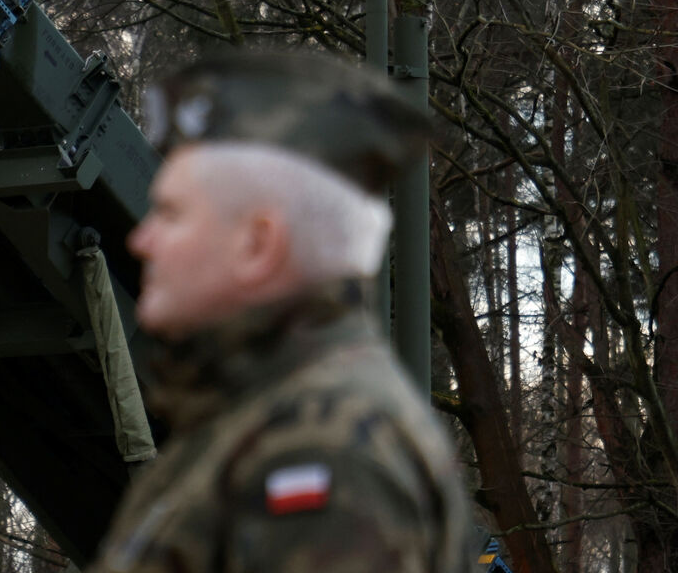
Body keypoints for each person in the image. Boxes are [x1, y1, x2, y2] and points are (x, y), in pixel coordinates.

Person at [86, 49, 474, 573]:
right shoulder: (252, 420)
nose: (142, 239)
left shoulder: (325, 452)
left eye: (172, 214)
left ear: (258, 245)